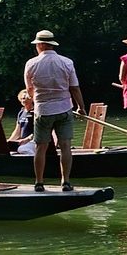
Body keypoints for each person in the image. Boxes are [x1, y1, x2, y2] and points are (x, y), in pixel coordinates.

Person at [24, 29, 84, 192]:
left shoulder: (31, 64)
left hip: (42, 110)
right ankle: (65, 182)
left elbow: (29, 90)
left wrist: (36, 99)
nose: (36, 47)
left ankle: (39, 182)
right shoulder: (67, 62)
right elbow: (75, 88)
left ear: (42, 45)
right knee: (65, 146)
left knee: (40, 147)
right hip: (64, 108)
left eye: (37, 44)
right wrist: (81, 107)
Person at [9, 89, 37, 155]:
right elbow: (17, 131)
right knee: (7, 149)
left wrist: (27, 139)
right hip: (22, 141)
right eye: (22, 98)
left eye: (25, 98)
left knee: (22, 149)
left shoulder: (35, 112)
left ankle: (34, 159)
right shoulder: (21, 112)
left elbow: (38, 131)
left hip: (33, 141)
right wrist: (9, 141)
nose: (23, 100)